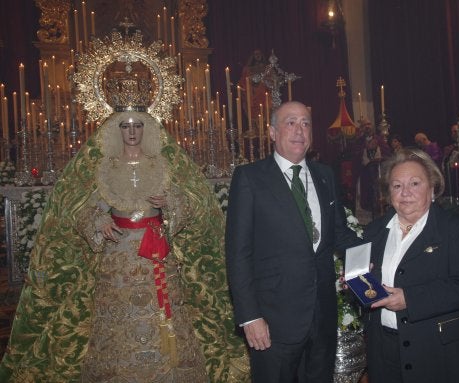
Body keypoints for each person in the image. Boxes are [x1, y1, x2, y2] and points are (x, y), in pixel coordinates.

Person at [0, 110, 250, 382]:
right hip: (118, 253)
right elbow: (86, 208)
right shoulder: (107, 167)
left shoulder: (160, 165)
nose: (132, 131)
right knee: (118, 317)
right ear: (116, 131)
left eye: (138, 125)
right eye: (125, 126)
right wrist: (99, 220)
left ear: (147, 130)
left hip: (155, 251)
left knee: (162, 313)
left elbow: (187, 203)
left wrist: (171, 203)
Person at [225, 101, 360, 382]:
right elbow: (238, 254)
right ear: (272, 132)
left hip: (322, 317)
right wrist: (250, 317)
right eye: (291, 122)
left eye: (306, 123)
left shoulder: (325, 175)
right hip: (273, 321)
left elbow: (340, 235)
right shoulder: (249, 178)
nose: (300, 130)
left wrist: (384, 247)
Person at [362, 147, 459, 383]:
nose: (405, 192)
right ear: (389, 193)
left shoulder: (454, 229)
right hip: (384, 349)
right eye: (397, 186)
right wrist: (357, 282)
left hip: (439, 351)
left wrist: (410, 299)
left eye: (415, 183)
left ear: (432, 188)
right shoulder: (375, 231)